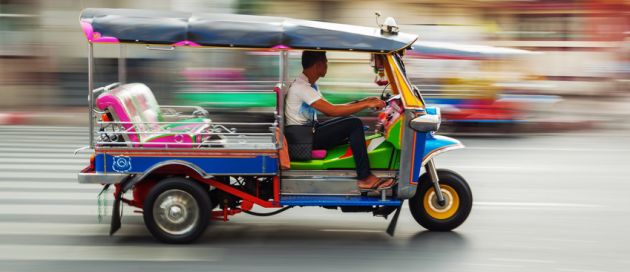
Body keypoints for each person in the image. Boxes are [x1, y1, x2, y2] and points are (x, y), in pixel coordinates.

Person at [284, 51, 395, 191]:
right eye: (325, 62)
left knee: (350, 121)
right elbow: (331, 111)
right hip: (304, 140)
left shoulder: (309, 85)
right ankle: (365, 177)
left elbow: (334, 108)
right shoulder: (302, 88)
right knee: (354, 124)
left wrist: (365, 101)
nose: (326, 65)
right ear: (318, 64)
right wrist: (366, 105)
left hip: (308, 133)